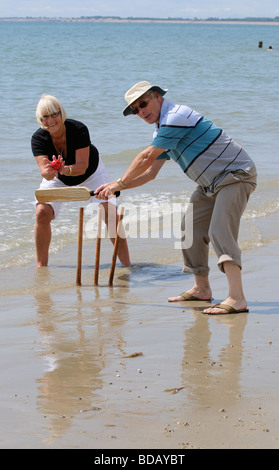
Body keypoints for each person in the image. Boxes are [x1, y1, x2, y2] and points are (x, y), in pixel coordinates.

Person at [95, 81, 257, 315]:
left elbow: (146, 158)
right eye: (135, 109)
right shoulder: (162, 130)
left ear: (157, 97)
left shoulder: (175, 116)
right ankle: (201, 289)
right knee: (189, 229)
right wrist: (116, 187)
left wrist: (119, 182)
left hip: (235, 176)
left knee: (220, 231)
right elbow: (150, 174)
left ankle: (237, 298)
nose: (141, 111)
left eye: (143, 103)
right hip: (209, 183)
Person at [32, 94, 130, 268]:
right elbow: (45, 174)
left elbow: (82, 166)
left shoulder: (78, 129)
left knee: (110, 212)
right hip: (59, 177)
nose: (51, 120)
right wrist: (50, 172)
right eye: (45, 117)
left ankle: (127, 265)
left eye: (54, 114)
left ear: (62, 113)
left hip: (91, 172)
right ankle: (41, 268)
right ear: (40, 120)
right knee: (41, 212)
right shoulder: (38, 139)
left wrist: (65, 169)